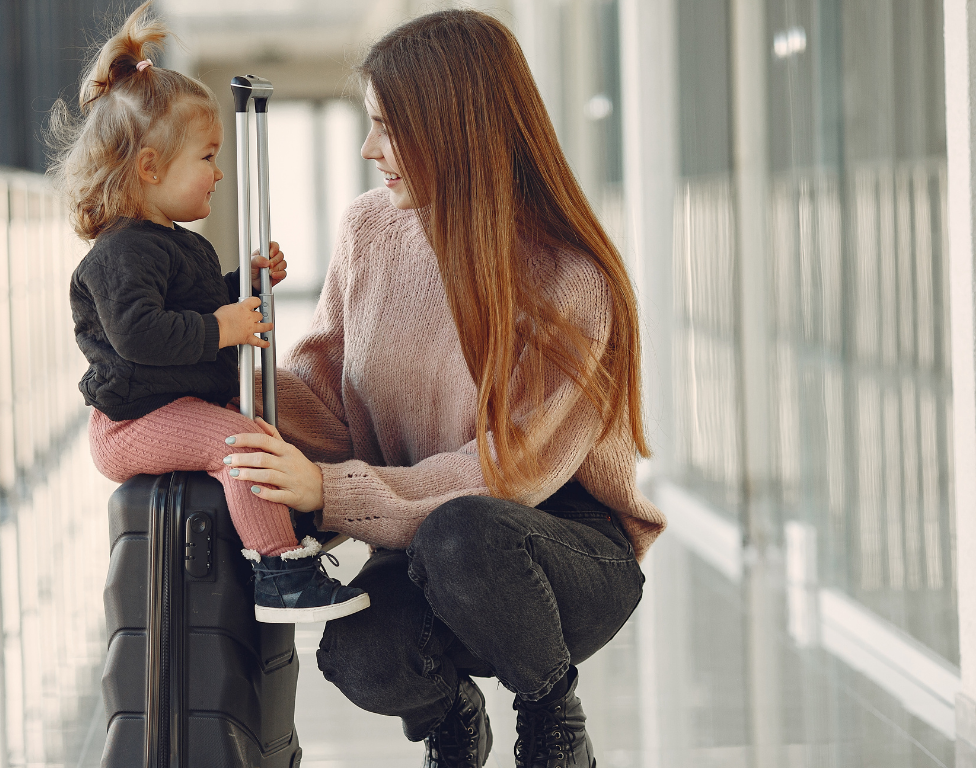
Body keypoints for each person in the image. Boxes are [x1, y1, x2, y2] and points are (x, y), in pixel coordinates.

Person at [221, 8, 666, 767]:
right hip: (425, 533)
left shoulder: (571, 279)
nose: (369, 150)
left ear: (454, 127)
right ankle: (452, 720)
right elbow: (327, 403)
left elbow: (504, 474)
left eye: (388, 127)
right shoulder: (368, 231)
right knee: (358, 654)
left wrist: (330, 492)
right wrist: (233, 351)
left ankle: (553, 721)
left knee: (464, 533)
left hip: (558, 549)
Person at [50, 2, 368, 624]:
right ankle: (279, 569)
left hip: (174, 401)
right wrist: (225, 326)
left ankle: (298, 514)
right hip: (131, 422)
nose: (220, 174)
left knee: (268, 425)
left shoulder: (176, 241)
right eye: (207, 158)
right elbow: (142, 334)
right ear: (149, 168)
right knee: (240, 443)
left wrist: (239, 285)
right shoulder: (121, 251)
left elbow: (188, 306)